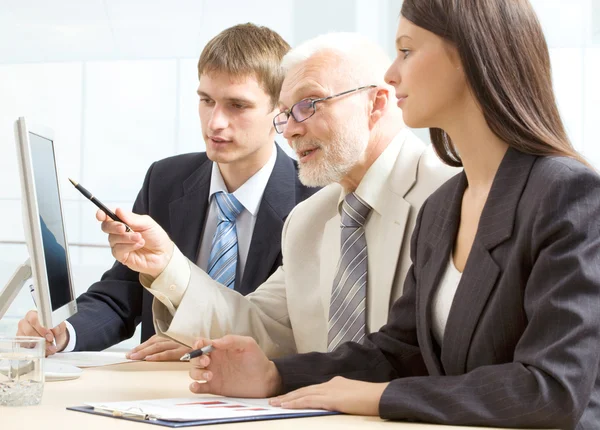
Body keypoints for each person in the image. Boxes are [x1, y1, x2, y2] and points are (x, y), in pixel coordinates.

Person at [183, 1, 600, 429]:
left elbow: (553, 391)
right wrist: (276, 375)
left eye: (406, 51)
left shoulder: (569, 194)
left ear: (471, 55)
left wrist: (381, 397)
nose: (391, 74)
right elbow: (401, 351)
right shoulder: (445, 206)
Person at [100, 33, 459, 358]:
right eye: (287, 114)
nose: (291, 132)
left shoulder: (455, 195)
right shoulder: (308, 221)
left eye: (310, 104)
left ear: (376, 104)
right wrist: (167, 266)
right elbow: (257, 326)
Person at [17, 23, 318, 360]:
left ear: (280, 111)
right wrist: (65, 332)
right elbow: (123, 294)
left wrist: (202, 344)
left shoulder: (313, 201)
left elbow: (293, 330)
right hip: (154, 388)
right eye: (206, 100)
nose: (215, 122)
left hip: (256, 396)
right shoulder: (166, 179)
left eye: (237, 105)